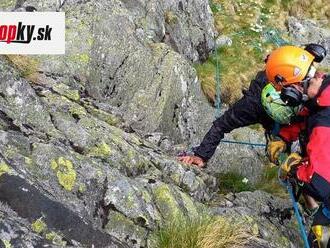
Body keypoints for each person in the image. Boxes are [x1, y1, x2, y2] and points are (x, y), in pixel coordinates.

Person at [178, 44, 327, 212]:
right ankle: (310, 200)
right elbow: (221, 124)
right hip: (272, 122)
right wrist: (201, 156)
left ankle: (311, 199)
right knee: (294, 153)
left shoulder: (298, 80)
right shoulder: (250, 107)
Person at [278, 71, 330, 247]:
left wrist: (294, 169)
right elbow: (307, 119)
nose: (318, 74)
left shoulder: (325, 120)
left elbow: (319, 183)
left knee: (319, 239)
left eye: (316, 77)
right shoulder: (322, 102)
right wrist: (283, 137)